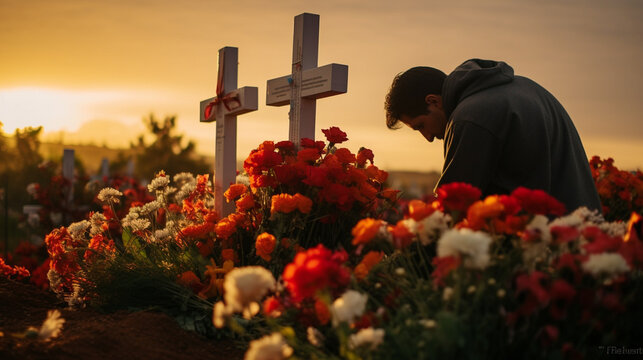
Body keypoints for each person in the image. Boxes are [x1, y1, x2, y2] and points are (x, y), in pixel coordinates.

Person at [384, 59, 602, 213]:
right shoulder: (525, 87)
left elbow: (453, 206)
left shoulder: (470, 117)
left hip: (552, 250)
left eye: (420, 126)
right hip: (584, 232)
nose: (428, 137)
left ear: (433, 101)